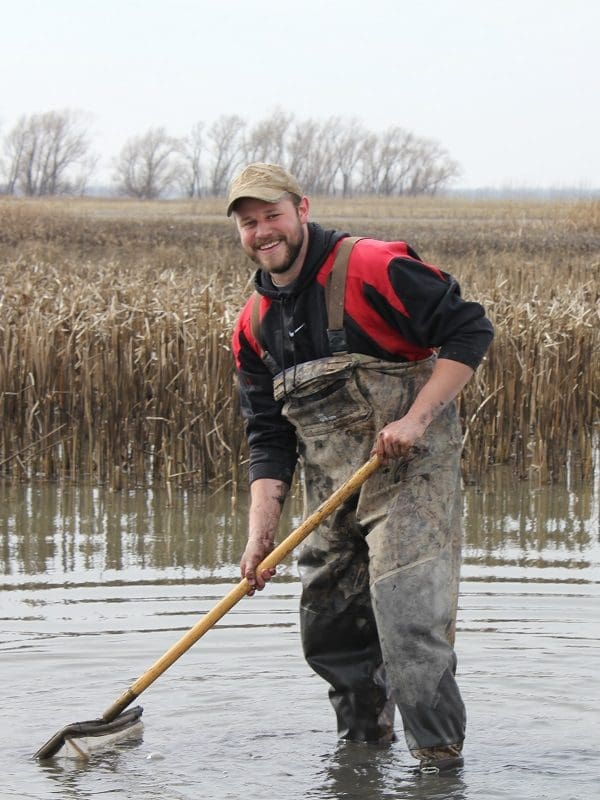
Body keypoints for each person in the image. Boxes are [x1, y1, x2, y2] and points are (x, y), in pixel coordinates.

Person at [227, 162, 494, 774]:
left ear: (302, 209)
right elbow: (267, 437)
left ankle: (438, 771)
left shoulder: (372, 266)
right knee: (329, 634)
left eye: (272, 215)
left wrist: (416, 420)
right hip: (331, 491)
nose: (263, 231)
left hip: (409, 479)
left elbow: (469, 328)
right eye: (249, 222)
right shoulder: (253, 326)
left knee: (409, 634)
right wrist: (259, 536)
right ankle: (361, 762)